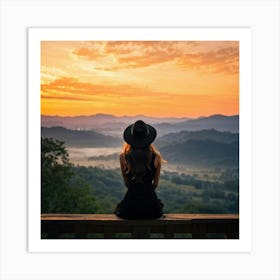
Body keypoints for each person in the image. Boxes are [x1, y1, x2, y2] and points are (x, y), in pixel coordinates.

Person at [114, 120, 164, 219]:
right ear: (148, 138)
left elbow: (127, 184)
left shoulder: (123, 157)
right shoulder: (157, 157)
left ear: (131, 139)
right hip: (151, 208)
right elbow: (155, 184)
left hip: (129, 207)